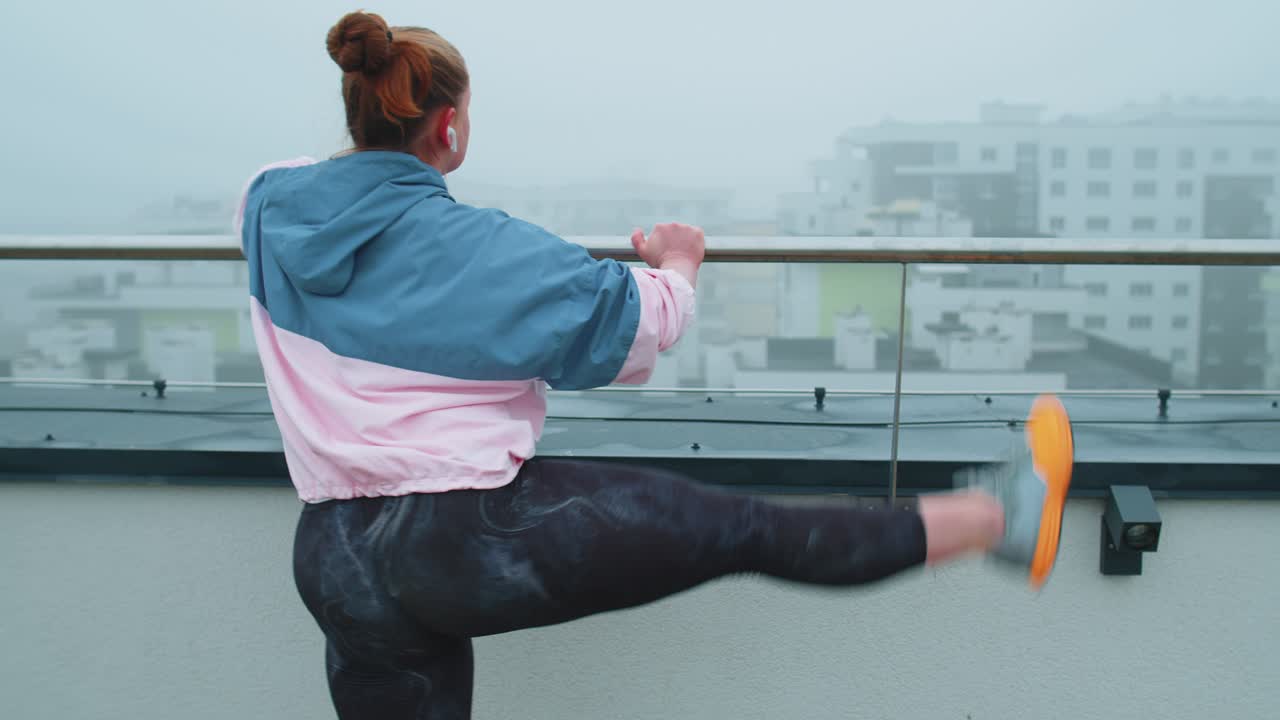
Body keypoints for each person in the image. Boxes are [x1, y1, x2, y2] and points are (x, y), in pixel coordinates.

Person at [235, 11, 1074, 719]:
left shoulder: (269, 201)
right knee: (746, 531)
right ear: (449, 125)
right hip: (463, 539)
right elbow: (634, 320)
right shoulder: (480, 250)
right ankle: (1000, 518)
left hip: (333, 558)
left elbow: (314, 183)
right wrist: (678, 260)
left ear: (358, 107)